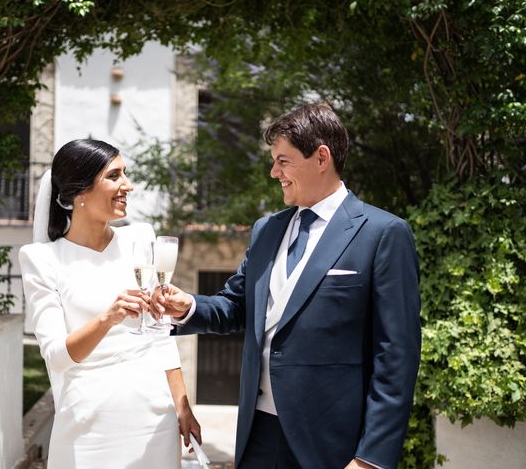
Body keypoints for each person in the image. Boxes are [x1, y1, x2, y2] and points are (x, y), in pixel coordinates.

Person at [154, 103, 421, 469]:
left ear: (321, 157)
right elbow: (236, 306)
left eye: (283, 161)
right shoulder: (268, 229)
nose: (273, 172)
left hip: (332, 444)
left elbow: (396, 356)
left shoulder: (383, 233)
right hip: (258, 435)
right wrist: (188, 307)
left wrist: (370, 458)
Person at [18, 139, 200, 469]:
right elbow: (58, 356)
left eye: (125, 174)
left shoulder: (140, 239)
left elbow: (160, 334)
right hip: (88, 424)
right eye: (114, 176)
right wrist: (108, 318)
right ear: (80, 192)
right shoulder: (42, 259)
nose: (127, 185)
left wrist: (182, 405)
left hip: (153, 419)